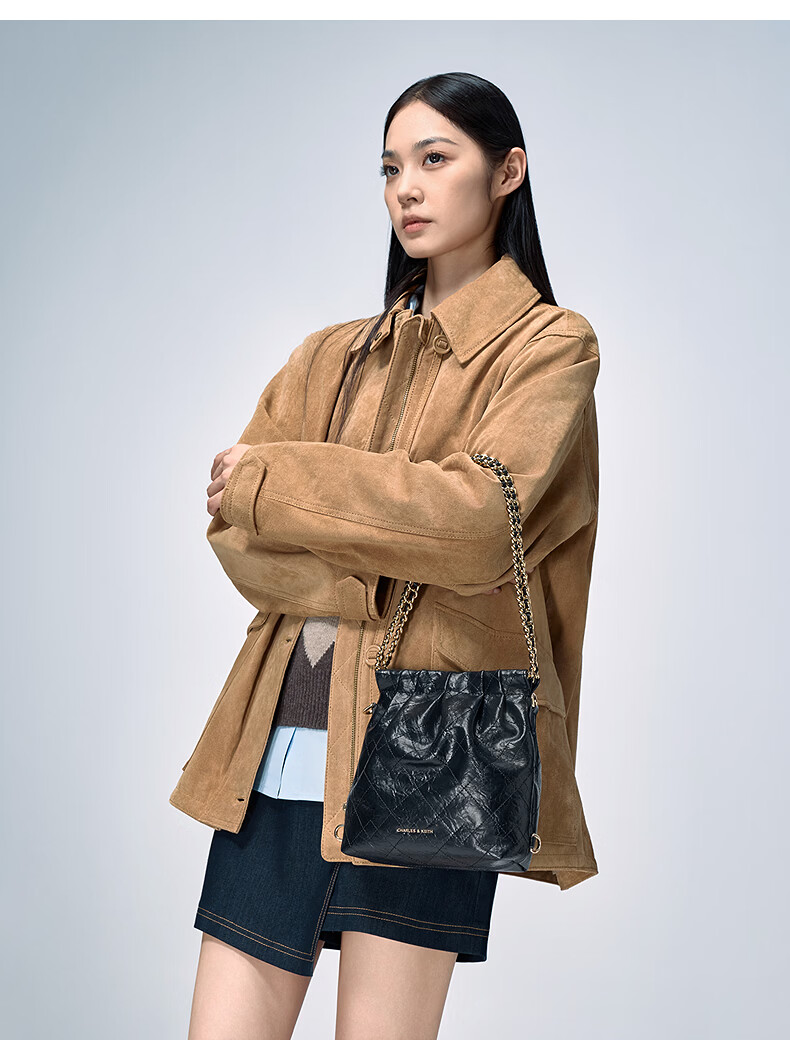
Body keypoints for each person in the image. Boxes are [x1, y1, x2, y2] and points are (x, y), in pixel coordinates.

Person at [176, 71, 601, 1040]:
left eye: (434, 159)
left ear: (507, 171)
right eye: (389, 167)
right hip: (274, 745)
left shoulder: (550, 348)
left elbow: (475, 521)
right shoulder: (326, 356)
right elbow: (238, 540)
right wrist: (385, 549)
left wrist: (282, 480)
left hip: (430, 748)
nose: (406, 187)